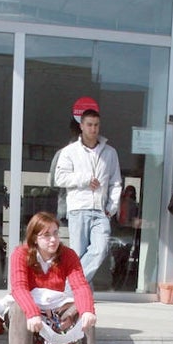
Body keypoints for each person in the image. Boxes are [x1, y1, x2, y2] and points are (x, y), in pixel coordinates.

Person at [7, 212, 98, 344]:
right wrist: (32, 313)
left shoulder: (67, 255)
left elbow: (80, 286)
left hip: (55, 308)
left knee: (85, 309)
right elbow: (19, 287)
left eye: (56, 233)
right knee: (17, 308)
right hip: (29, 309)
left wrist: (88, 310)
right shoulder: (20, 254)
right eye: (46, 235)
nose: (53, 239)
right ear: (34, 237)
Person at [54, 100, 122, 285]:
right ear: (82, 126)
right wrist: (84, 179)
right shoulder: (69, 152)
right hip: (78, 208)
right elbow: (59, 178)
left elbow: (116, 182)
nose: (93, 129)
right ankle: (82, 294)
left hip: (101, 210)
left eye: (96, 125)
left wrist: (112, 206)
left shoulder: (110, 152)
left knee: (100, 250)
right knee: (78, 255)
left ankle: (69, 287)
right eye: (89, 125)